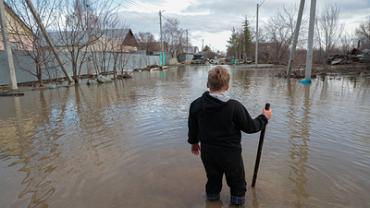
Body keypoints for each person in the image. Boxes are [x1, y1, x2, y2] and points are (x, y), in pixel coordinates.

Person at [188, 66, 272, 206]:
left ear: (207, 84)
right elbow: (250, 127)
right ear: (227, 86)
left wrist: (194, 142)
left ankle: (212, 202)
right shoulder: (234, 107)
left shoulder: (196, 104)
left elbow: (193, 127)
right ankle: (237, 204)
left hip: (208, 153)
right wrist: (264, 117)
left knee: (213, 179)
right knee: (237, 182)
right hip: (230, 155)